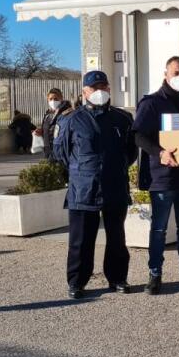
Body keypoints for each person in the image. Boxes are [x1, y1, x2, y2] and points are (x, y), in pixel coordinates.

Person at [53, 70, 137, 299]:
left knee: (117, 238)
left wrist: (114, 167)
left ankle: (118, 278)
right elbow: (61, 153)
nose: (100, 92)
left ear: (109, 89)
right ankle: (77, 282)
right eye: (94, 88)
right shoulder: (71, 120)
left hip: (114, 185)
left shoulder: (122, 119)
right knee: (80, 240)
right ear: (85, 92)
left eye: (103, 87)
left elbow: (131, 152)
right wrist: (83, 170)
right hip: (84, 188)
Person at [133, 56, 179, 294]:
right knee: (159, 229)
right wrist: (160, 152)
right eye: (176, 73)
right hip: (162, 177)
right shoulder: (151, 103)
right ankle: (155, 274)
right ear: (166, 74)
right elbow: (138, 136)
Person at [39, 88, 73, 161]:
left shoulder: (67, 112)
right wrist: (40, 132)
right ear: (47, 100)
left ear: (61, 98)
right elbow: (46, 129)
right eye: (50, 99)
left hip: (61, 150)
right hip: (48, 149)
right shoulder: (48, 114)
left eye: (56, 99)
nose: (53, 101)